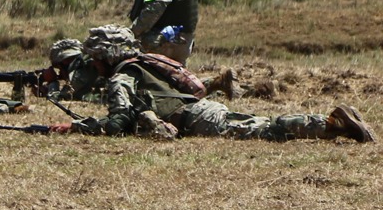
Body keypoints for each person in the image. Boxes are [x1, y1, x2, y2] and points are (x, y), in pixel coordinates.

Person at [47, 25, 375, 143]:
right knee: (262, 125)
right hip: (201, 110)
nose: (94, 64)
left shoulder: (121, 77)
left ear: (107, 56)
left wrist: (78, 126)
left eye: (96, 57)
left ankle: (332, 124)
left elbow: (117, 123)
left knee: (267, 130)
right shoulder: (140, 63)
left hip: (199, 119)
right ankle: (333, 123)